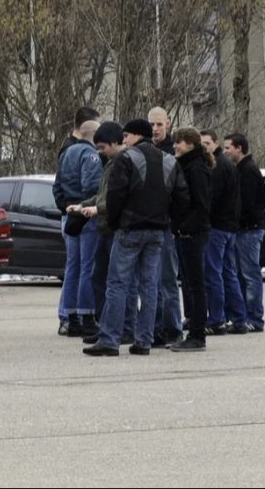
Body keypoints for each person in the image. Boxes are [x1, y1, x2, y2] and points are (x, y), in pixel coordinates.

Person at [84, 119, 189, 357]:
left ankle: (110, 340)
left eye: (127, 135)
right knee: (150, 286)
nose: (124, 139)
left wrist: (114, 222)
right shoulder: (170, 160)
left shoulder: (126, 158)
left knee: (117, 284)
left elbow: (115, 195)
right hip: (158, 230)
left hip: (130, 229)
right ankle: (144, 340)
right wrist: (169, 220)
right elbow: (182, 196)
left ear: (137, 136)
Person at [70, 122, 138, 345]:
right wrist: (83, 205)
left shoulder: (123, 163)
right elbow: (102, 194)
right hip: (105, 228)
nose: (99, 152)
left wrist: (98, 209)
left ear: (116, 143)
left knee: (118, 282)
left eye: (102, 147)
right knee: (99, 278)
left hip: (115, 228)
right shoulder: (109, 163)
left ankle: (124, 326)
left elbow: (117, 198)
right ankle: (107, 324)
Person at [53, 116, 103, 337]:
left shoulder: (66, 153)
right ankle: (87, 316)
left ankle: (70, 316)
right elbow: (91, 185)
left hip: (69, 216)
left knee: (72, 267)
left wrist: (66, 207)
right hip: (85, 215)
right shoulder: (90, 154)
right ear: (94, 135)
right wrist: (87, 204)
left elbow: (57, 188)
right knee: (87, 267)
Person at [199, 130, 249, 335]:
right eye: (201, 143)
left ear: (215, 143)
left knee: (214, 273)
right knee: (228, 273)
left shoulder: (218, 165)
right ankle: (238, 318)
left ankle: (217, 319)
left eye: (207, 143)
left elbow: (212, 198)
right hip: (228, 227)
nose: (204, 147)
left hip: (218, 227)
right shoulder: (227, 164)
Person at [170, 127, 213, 352]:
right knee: (189, 285)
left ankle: (197, 335)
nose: (176, 145)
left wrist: (184, 227)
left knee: (196, 285)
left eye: (180, 142)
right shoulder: (187, 165)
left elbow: (202, 206)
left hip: (193, 235)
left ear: (191, 144)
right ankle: (193, 331)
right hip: (185, 233)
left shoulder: (196, 169)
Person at [224, 133, 265, 332]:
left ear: (239, 148)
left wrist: (236, 219)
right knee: (242, 275)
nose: (225, 151)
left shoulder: (247, 171)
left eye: (228, 148)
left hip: (249, 231)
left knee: (250, 275)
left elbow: (247, 203)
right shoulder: (241, 169)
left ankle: (255, 318)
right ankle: (244, 315)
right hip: (245, 229)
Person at [148, 106, 183, 347]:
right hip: (150, 222)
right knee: (151, 280)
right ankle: (156, 327)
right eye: (152, 125)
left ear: (167, 124)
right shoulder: (146, 151)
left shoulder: (174, 152)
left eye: (159, 124)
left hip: (167, 224)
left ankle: (173, 328)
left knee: (168, 279)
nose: (156, 129)